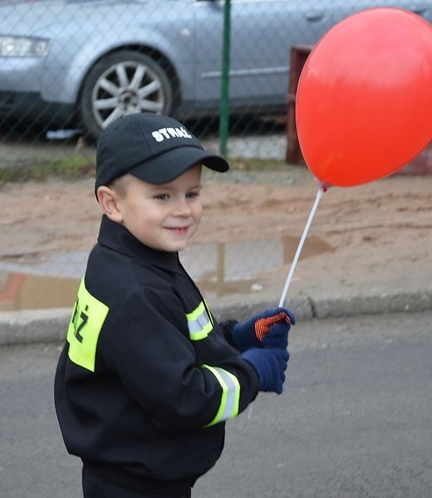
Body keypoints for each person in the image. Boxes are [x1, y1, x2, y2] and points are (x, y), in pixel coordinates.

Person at [54, 113, 296, 498]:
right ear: (112, 204)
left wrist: (236, 337)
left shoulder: (131, 258)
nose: (183, 209)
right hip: (138, 484)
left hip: (133, 470)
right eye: (162, 195)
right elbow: (184, 399)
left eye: (192, 193)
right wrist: (251, 373)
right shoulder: (137, 292)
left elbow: (169, 340)